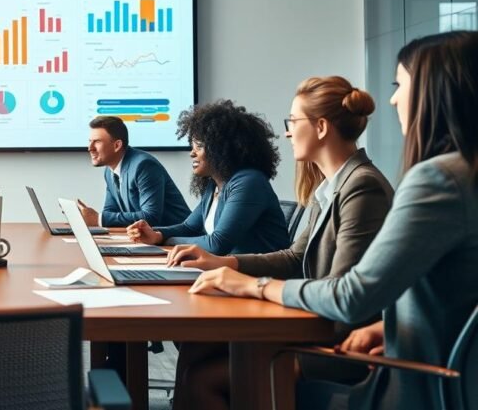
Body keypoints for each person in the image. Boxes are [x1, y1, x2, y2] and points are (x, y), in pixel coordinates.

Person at [190, 31, 478, 410]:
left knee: (208, 376)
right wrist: (387, 328)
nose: (392, 99)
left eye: (400, 85)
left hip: (411, 382)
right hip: (418, 361)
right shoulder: (460, 174)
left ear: (433, 91)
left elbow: (350, 296)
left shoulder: (432, 180)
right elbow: (453, 295)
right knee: (204, 354)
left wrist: (255, 286)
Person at [163, 77, 394, 410]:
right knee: (196, 346)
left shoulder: (361, 188)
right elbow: (295, 256)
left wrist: (253, 285)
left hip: (340, 340)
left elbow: (342, 293)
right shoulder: (331, 186)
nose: (287, 133)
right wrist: (226, 264)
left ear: (321, 127)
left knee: (202, 379)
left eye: (293, 122)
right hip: (314, 322)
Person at [127, 99, 290, 255]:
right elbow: (189, 228)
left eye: (199, 146)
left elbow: (217, 244)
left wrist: (167, 241)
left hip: (256, 273)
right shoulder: (215, 185)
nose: (192, 153)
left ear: (221, 148)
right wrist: (157, 235)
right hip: (226, 269)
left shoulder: (248, 182)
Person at [77, 115, 190, 228]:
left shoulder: (144, 165)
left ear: (117, 145)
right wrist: (95, 219)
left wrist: (98, 219)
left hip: (179, 236)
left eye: (97, 142)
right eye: (90, 141)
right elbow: (111, 212)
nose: (90, 148)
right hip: (145, 235)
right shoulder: (109, 171)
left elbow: (151, 217)